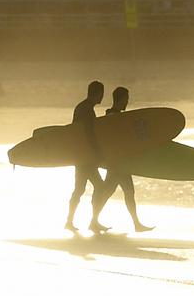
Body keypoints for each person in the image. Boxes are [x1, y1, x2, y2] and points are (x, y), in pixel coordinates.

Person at [91, 87, 153, 233]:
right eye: (126, 99)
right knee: (123, 191)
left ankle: (94, 221)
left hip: (118, 161)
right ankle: (136, 224)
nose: (127, 102)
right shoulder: (113, 116)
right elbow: (114, 137)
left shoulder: (116, 115)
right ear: (119, 100)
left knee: (113, 191)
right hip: (117, 162)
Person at [64, 80, 109, 233]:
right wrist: (97, 151)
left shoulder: (82, 107)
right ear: (97, 94)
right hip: (85, 156)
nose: (102, 97)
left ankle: (70, 221)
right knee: (99, 186)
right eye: (101, 94)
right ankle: (93, 222)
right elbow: (89, 133)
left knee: (79, 189)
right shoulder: (87, 109)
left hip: (80, 155)